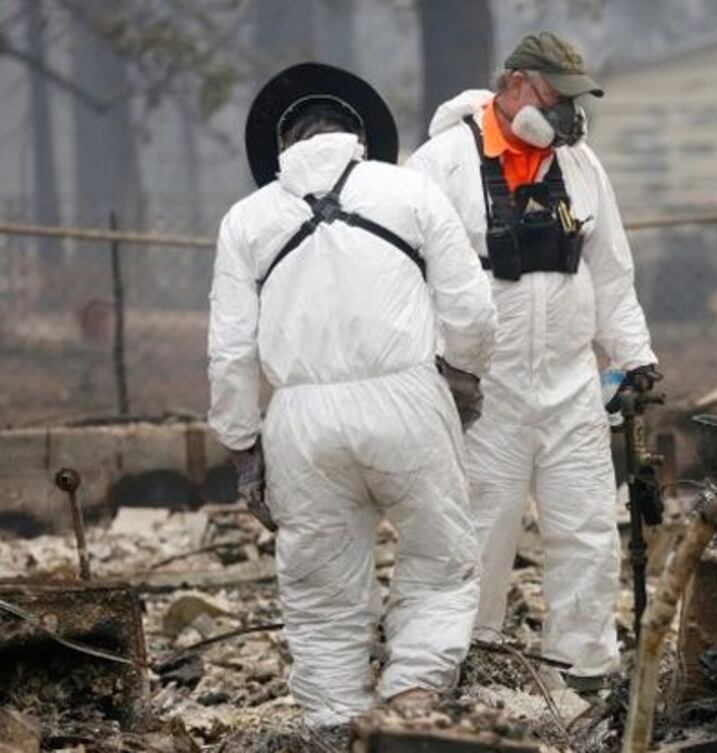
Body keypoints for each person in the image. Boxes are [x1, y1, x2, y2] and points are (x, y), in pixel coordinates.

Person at [207, 62, 497, 728]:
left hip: (300, 419)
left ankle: (334, 723)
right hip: (407, 397)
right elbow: (472, 309)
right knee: (440, 556)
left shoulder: (245, 220)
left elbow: (230, 351)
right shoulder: (411, 191)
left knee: (320, 587)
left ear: (281, 149)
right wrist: (462, 378)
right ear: (361, 138)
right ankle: (413, 695)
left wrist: (242, 445)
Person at [406, 31, 660, 688]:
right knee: (479, 533)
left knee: (587, 529)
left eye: (575, 100)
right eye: (556, 97)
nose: (567, 115)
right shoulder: (440, 167)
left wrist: (634, 355)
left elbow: (610, 272)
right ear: (515, 85)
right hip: (483, 390)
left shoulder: (581, 166)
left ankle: (584, 671)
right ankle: (473, 664)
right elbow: (407, 283)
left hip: (572, 383)